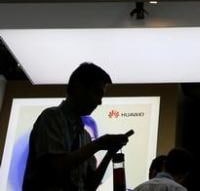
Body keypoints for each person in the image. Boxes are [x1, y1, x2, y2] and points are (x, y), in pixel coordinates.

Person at [22, 62, 130, 191]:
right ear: (78, 88)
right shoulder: (51, 117)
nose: (99, 102)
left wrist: (110, 153)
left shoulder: (85, 136)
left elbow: (90, 186)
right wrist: (98, 144)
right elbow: (56, 168)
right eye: (97, 92)